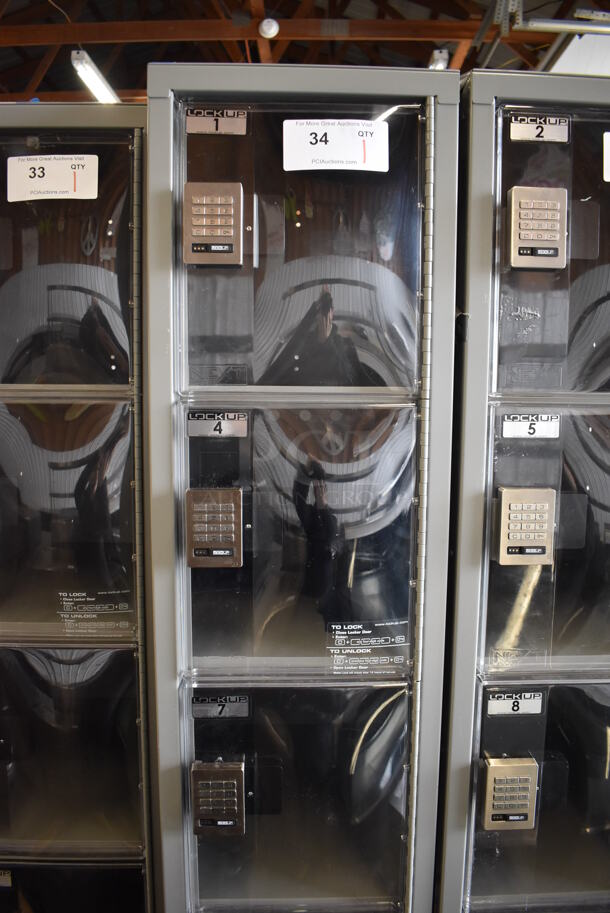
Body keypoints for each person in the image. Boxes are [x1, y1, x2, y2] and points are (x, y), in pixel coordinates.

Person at [260, 290, 373, 386]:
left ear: (331, 313)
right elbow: (282, 375)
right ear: (315, 313)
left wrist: (326, 342)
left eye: (327, 309)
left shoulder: (345, 345)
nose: (324, 316)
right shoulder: (300, 344)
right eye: (321, 309)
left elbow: (352, 379)